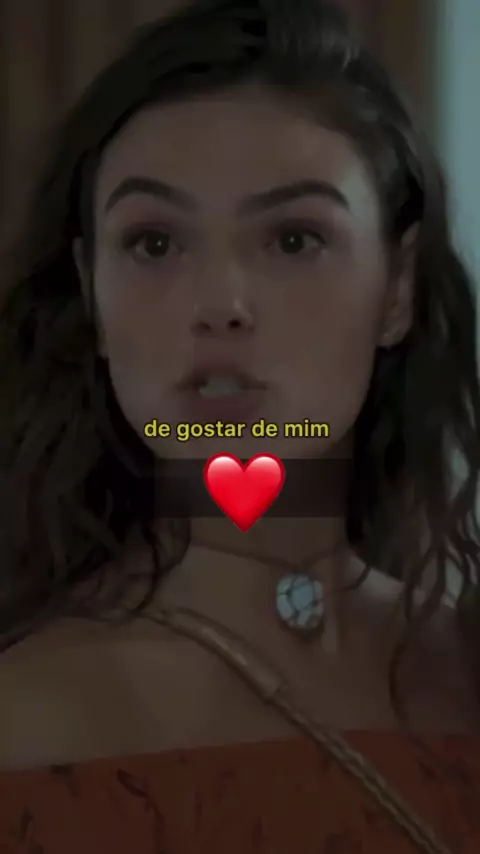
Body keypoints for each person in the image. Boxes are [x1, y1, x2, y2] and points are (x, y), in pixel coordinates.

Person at [0, 0, 479, 851]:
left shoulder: (462, 666)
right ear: (92, 292)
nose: (220, 304)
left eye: (293, 239)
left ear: (396, 287)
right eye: (155, 243)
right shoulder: (27, 722)